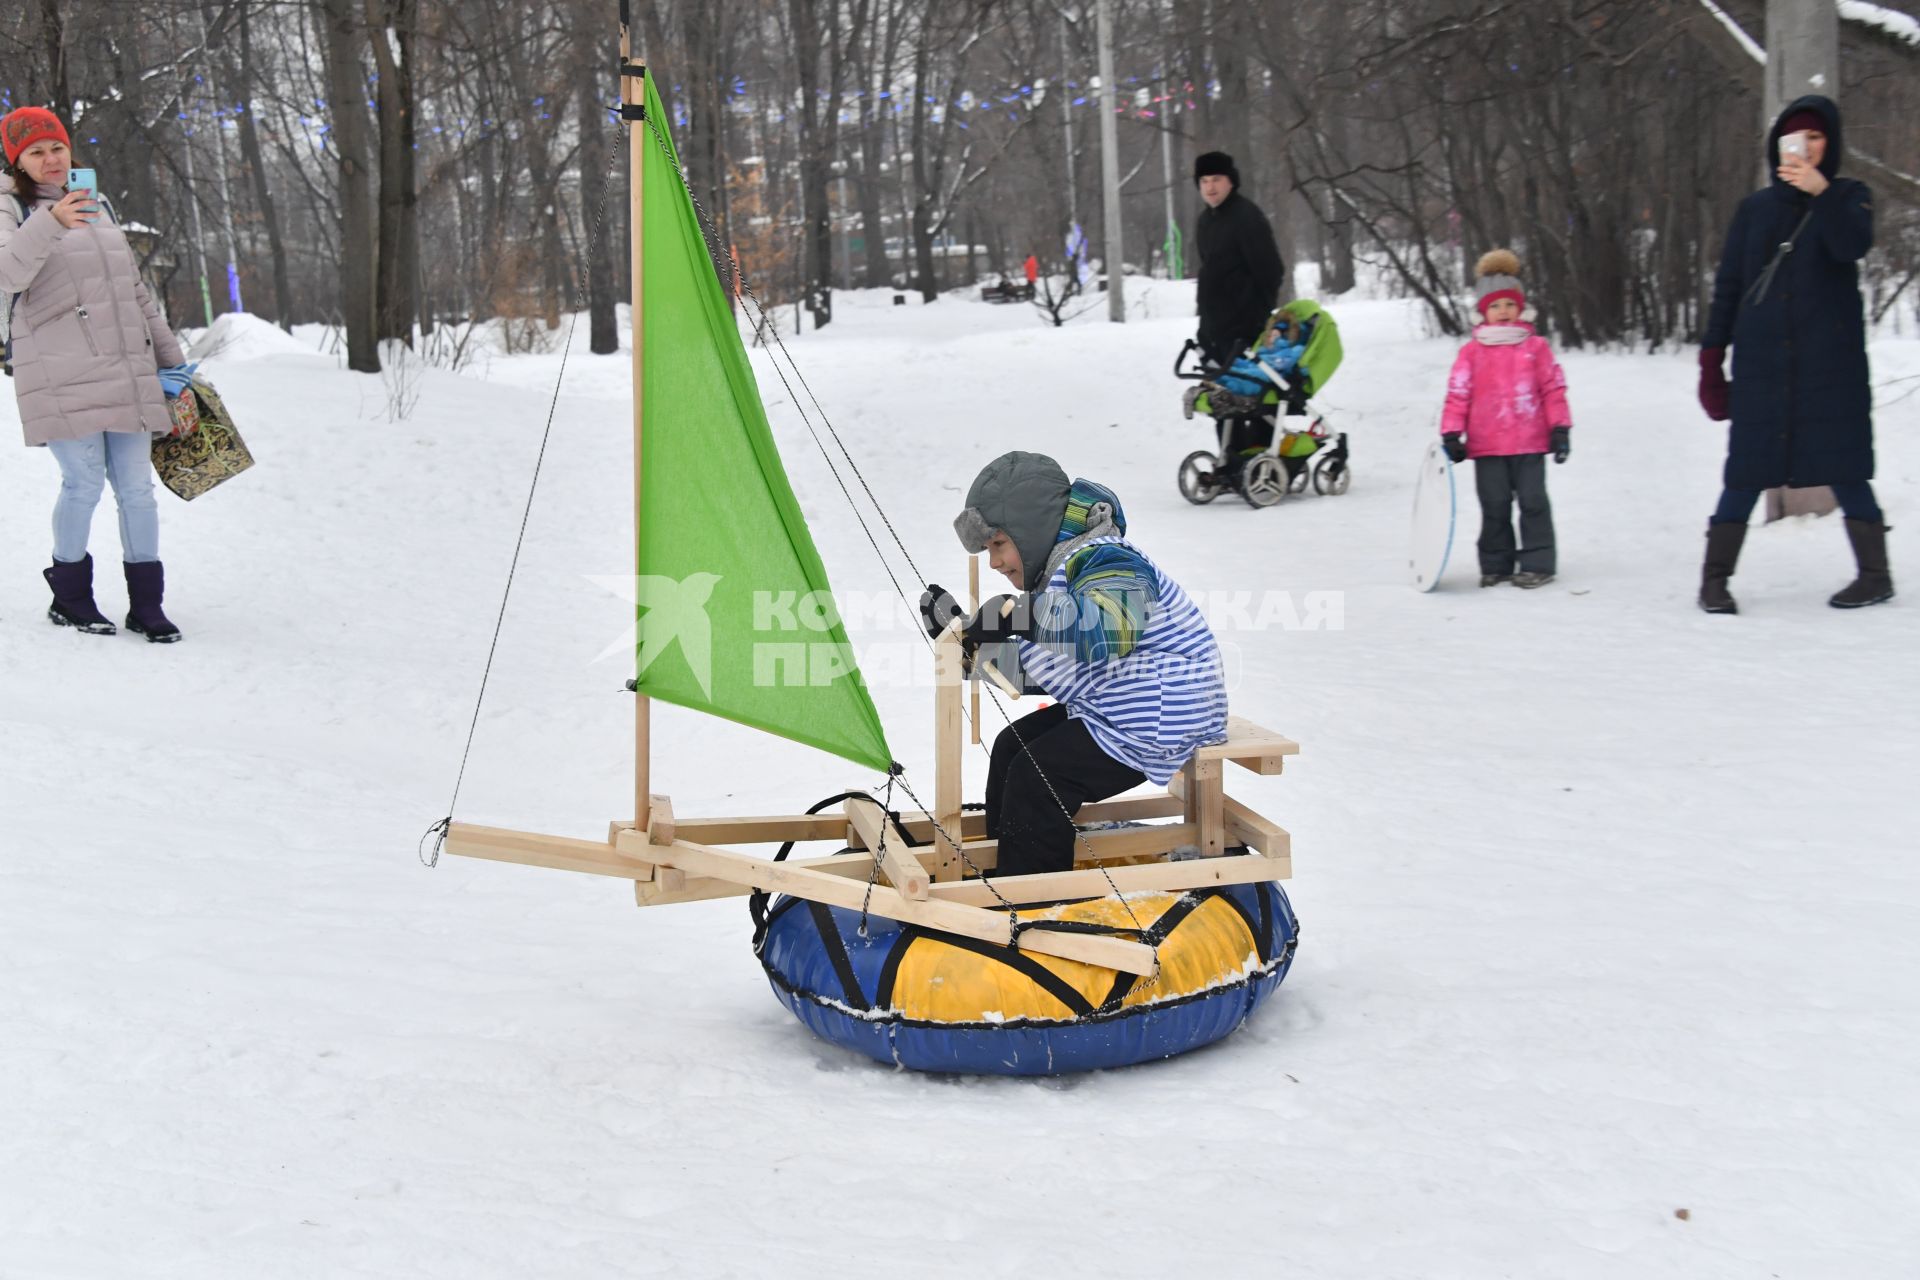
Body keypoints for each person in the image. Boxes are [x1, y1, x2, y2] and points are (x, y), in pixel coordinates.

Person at [919, 452, 1228, 878]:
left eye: (998, 544)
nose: (993, 563)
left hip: (1164, 710)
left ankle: (1034, 899)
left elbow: (1109, 629)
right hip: (1120, 707)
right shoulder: (1056, 585)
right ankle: (1003, 867)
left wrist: (1014, 615)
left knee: (1039, 775)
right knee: (1014, 747)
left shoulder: (1104, 558)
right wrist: (965, 643)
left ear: (1030, 531)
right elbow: (1046, 667)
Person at [1, 106, 192, 641]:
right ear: (17, 160)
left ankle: (147, 605)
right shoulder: (11, 206)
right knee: (82, 483)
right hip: (60, 370)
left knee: (137, 489)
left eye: (56, 147)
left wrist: (173, 361)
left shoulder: (97, 203)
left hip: (126, 365)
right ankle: (70, 596)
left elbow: (133, 289)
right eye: (35, 152)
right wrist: (49, 221)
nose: (50, 159)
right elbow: (7, 273)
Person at [1696, 95, 1888, 614]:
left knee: (1847, 466)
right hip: (1763, 365)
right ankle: (1714, 580)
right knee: (1745, 469)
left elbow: (1852, 246)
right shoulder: (1755, 209)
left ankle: (1875, 575)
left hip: (1831, 365)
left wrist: (1820, 193)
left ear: (1831, 144)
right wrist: (1712, 358)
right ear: (1777, 146)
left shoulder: (1850, 197)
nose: (1807, 147)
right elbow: (1730, 286)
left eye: (1817, 137)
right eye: (1795, 138)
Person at [1440, 249, 1573, 589]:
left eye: (1509, 305)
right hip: (1487, 446)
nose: (1503, 312)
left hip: (1530, 442)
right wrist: (1452, 434)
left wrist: (1560, 429)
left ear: (1521, 307)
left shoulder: (1536, 348)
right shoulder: (1471, 353)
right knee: (1494, 505)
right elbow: (1458, 394)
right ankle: (1496, 564)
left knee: (1533, 502)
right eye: (1495, 306)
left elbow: (1552, 389)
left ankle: (1538, 562)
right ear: (1483, 312)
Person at [1192, 151, 1287, 471]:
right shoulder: (1205, 221)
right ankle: (1231, 461)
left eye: (1217, 179)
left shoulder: (1247, 217)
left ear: (1231, 181)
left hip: (1247, 327)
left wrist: (1263, 317)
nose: (1210, 187)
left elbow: (1271, 269)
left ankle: (1262, 461)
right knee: (1222, 398)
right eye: (1204, 181)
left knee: (1254, 399)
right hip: (1214, 327)